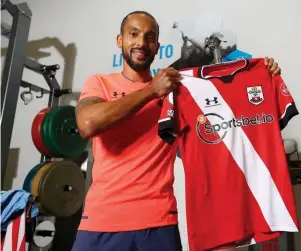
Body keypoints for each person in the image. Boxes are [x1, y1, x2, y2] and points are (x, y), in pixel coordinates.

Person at [71, 10, 283, 251]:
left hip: (158, 222)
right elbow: (87, 124)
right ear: (120, 40)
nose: (141, 42)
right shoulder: (100, 83)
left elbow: (231, 112)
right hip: (101, 222)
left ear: (157, 46)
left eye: (150, 37)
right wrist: (151, 91)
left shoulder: (176, 90)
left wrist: (263, 76)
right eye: (134, 34)